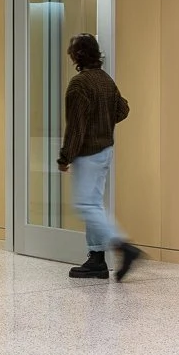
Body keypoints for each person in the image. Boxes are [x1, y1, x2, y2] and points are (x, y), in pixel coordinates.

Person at [57, 33, 141, 281]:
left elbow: (76, 128)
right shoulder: (106, 80)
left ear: (76, 56)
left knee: (85, 205)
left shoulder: (79, 84)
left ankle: (123, 246)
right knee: (93, 204)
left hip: (89, 154)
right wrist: (103, 121)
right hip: (106, 151)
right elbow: (122, 109)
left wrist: (65, 158)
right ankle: (96, 260)